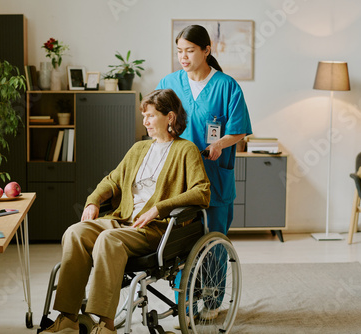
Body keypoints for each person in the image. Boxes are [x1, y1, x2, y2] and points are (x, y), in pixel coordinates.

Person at [41, 88, 211, 334]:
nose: (145, 121)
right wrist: (93, 201)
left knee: (108, 240)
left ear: (170, 117)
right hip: (122, 220)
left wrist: (158, 208)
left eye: (151, 116)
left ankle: (105, 324)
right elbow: (112, 180)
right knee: (75, 233)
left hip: (154, 229)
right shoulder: (139, 149)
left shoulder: (186, 150)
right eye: (144, 115)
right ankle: (68, 318)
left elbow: (201, 191)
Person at [157, 24, 252, 320]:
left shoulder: (226, 86)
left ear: (206, 50)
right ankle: (182, 305)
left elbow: (239, 130)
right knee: (180, 244)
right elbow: (157, 122)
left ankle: (211, 303)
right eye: (179, 51)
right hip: (180, 179)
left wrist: (221, 143)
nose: (182, 57)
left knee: (213, 243)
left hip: (214, 177)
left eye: (189, 51)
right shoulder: (169, 83)